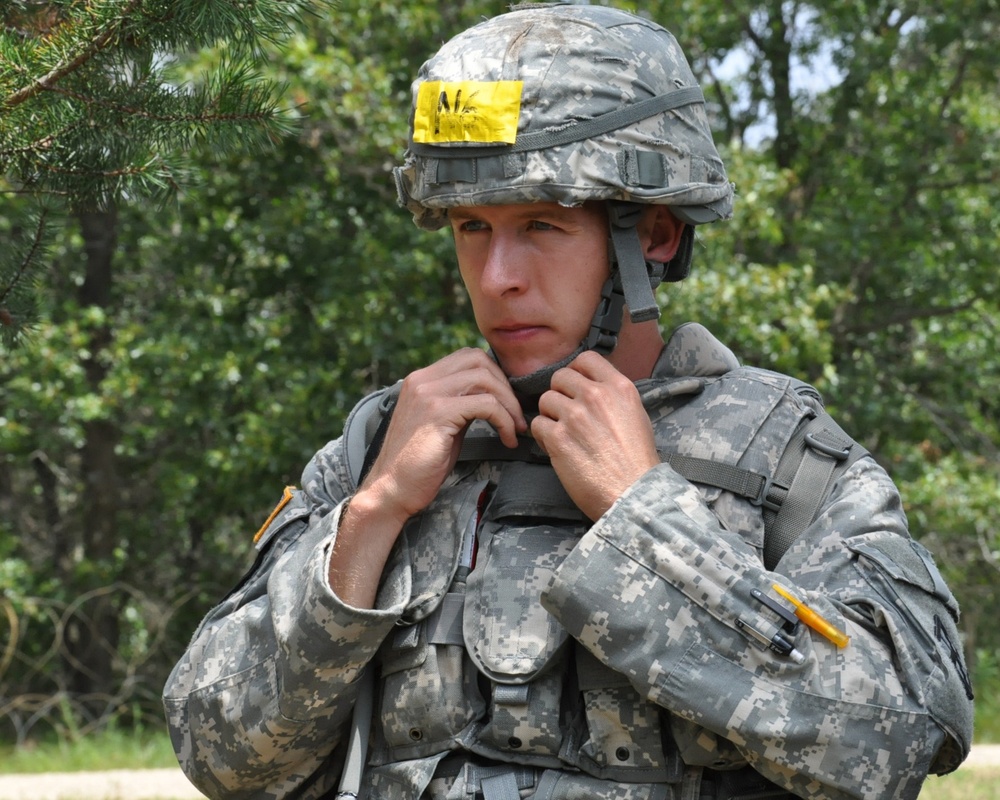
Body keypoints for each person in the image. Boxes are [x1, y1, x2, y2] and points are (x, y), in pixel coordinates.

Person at [162, 5, 974, 800]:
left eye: (542, 225)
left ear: (652, 233)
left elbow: (894, 740)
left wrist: (645, 516)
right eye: (471, 226)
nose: (496, 277)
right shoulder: (383, 445)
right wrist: (371, 516)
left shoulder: (787, 460)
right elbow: (220, 755)